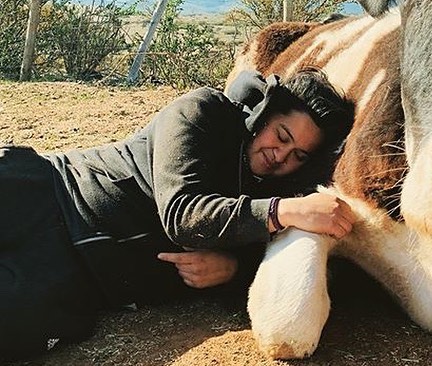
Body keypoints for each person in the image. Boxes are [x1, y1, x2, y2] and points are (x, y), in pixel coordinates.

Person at [0, 67, 355, 360]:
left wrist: (235, 270)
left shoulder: (274, 193)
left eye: (298, 156)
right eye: (281, 135)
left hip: (77, 274)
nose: (281, 155)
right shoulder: (203, 111)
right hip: (47, 192)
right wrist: (285, 210)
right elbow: (183, 212)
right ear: (263, 114)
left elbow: (299, 270)